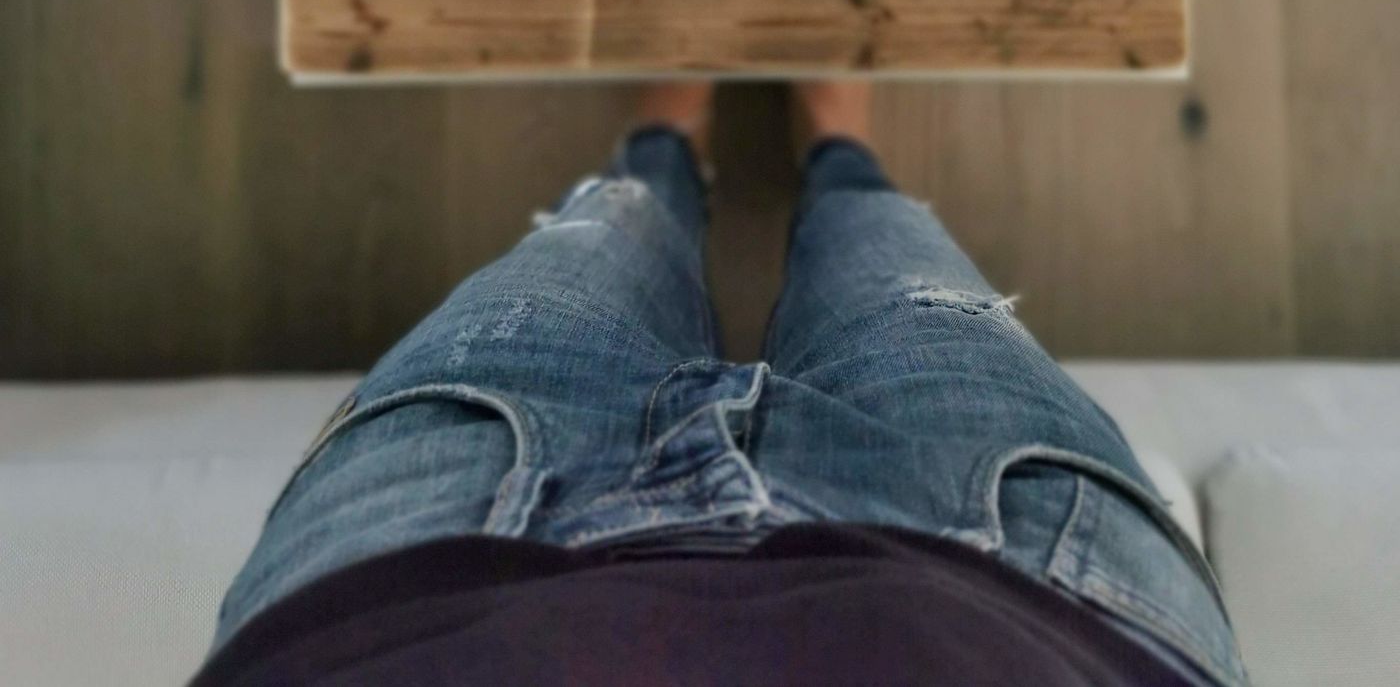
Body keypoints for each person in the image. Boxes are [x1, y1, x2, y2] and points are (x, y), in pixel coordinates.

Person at [198, 83, 1248, 686]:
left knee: (605, 230)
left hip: (415, 582)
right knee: (888, 248)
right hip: (1029, 604)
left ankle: (664, 145)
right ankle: (838, 149)